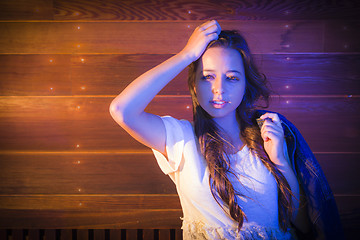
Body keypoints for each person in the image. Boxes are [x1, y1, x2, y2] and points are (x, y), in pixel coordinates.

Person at [109, 20, 343, 239]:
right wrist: (187, 55)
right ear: (193, 85)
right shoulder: (180, 138)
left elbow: (303, 225)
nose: (219, 89)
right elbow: (121, 110)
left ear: (244, 86)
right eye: (207, 77)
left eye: (231, 78)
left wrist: (280, 160)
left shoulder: (268, 136)